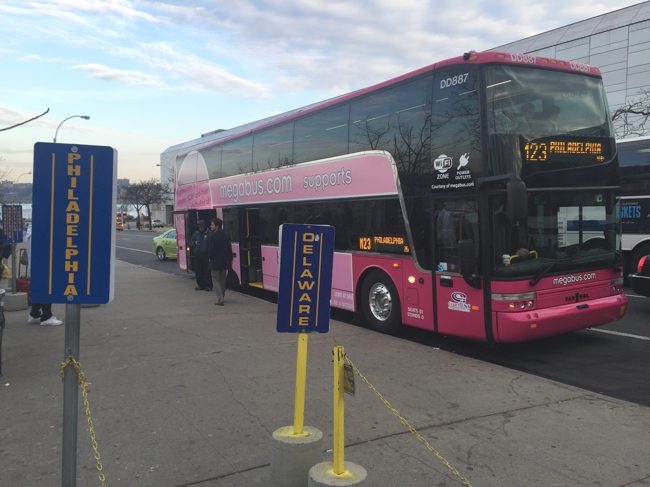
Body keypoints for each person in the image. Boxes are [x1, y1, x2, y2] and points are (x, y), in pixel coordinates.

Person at [25, 225, 62, 326]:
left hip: (36, 267)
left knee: (40, 290)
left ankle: (34, 314)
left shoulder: (31, 232)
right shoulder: (39, 232)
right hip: (42, 267)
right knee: (47, 289)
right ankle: (46, 316)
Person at [208, 218, 233, 306]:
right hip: (225, 261)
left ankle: (220, 298)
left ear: (217, 226)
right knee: (222, 280)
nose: (211, 226)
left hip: (215, 261)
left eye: (212, 225)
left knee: (215, 280)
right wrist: (230, 260)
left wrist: (209, 258)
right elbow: (229, 249)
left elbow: (211, 250)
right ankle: (222, 295)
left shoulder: (212, 236)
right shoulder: (226, 235)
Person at [189, 220, 213, 291]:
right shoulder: (196, 233)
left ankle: (208, 286)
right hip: (197, 254)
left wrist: (210, 255)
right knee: (198, 271)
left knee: (207, 271)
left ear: (204, 226)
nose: (200, 227)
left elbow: (211, 244)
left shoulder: (209, 233)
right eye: (199, 226)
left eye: (201, 226)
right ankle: (200, 285)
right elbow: (191, 242)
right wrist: (194, 243)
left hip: (206, 254)